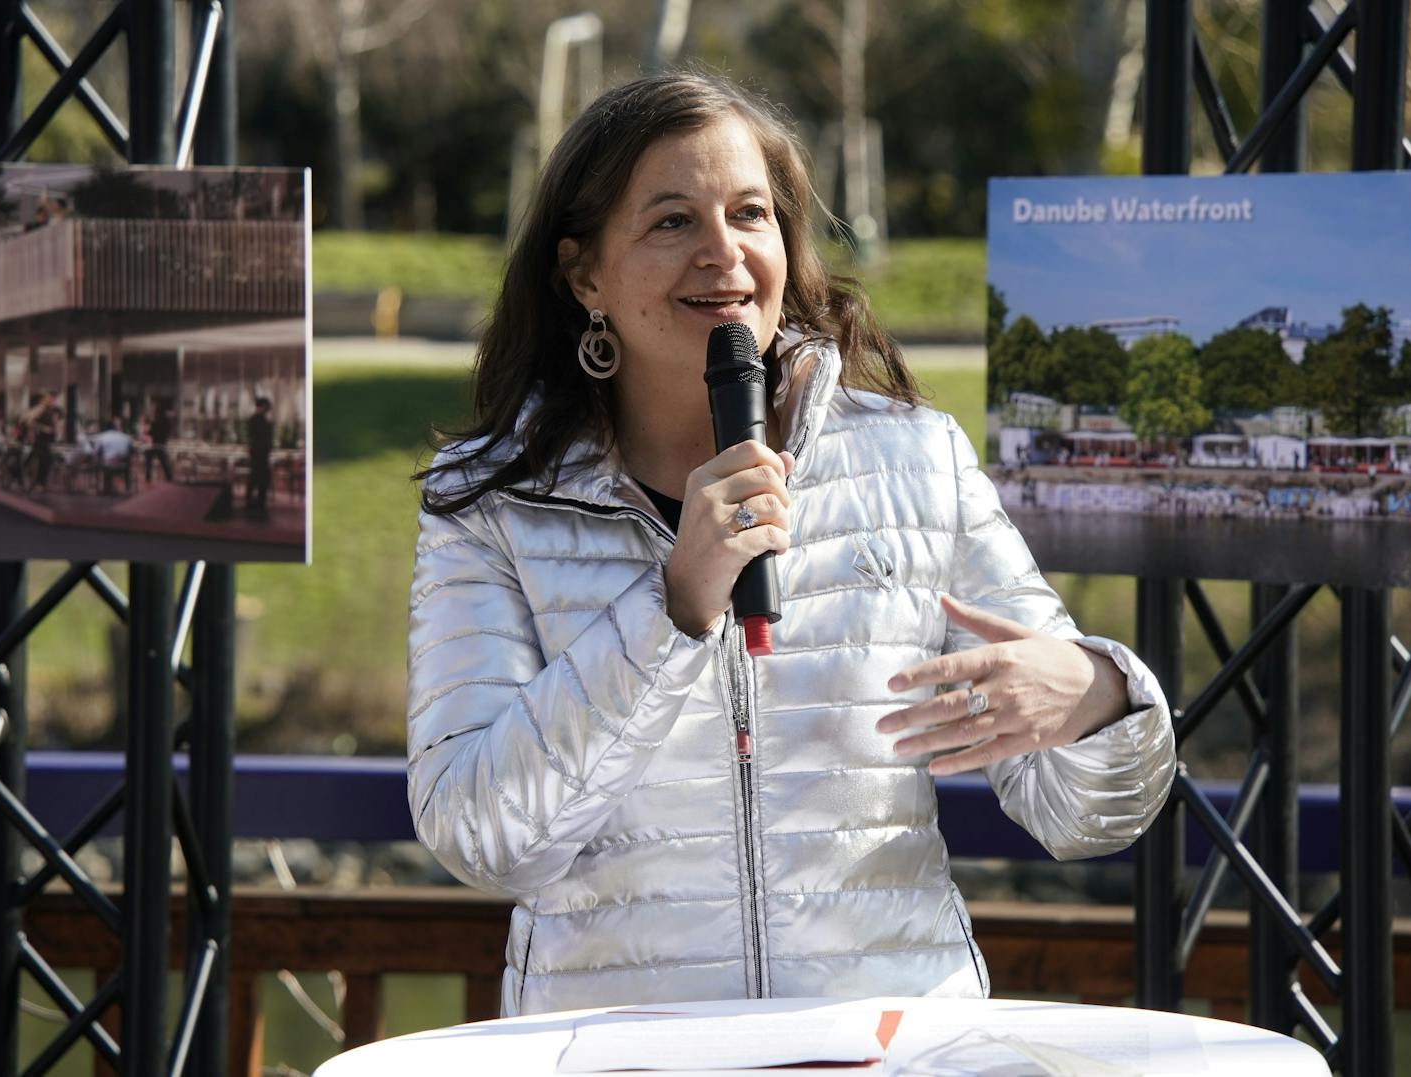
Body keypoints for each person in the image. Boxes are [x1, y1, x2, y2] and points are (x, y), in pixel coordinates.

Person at [406, 73, 1175, 1018]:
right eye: (672, 222)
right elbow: (479, 834)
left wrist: (1096, 696)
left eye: (750, 214)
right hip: (623, 1049)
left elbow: (1088, 814)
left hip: (888, 1042)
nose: (723, 254)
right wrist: (673, 609)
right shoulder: (490, 504)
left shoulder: (913, 458)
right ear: (584, 275)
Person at [245, 397, 273, 519]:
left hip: (259, 452)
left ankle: (255, 501)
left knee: (257, 477)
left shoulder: (256, 420)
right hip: (259, 452)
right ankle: (256, 502)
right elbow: (261, 437)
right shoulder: (257, 420)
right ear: (262, 406)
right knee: (258, 477)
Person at [93, 417, 135, 495]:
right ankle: (127, 487)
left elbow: (97, 453)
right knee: (126, 465)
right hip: (123, 464)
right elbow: (131, 452)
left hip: (107, 464)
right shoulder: (126, 437)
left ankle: (100, 486)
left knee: (99, 464)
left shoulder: (102, 437)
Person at [143, 402, 175, 483]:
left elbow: (149, 433)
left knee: (148, 460)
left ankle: (148, 477)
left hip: (155, 445)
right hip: (162, 445)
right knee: (164, 462)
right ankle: (169, 477)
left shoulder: (154, 423)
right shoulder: (167, 423)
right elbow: (169, 433)